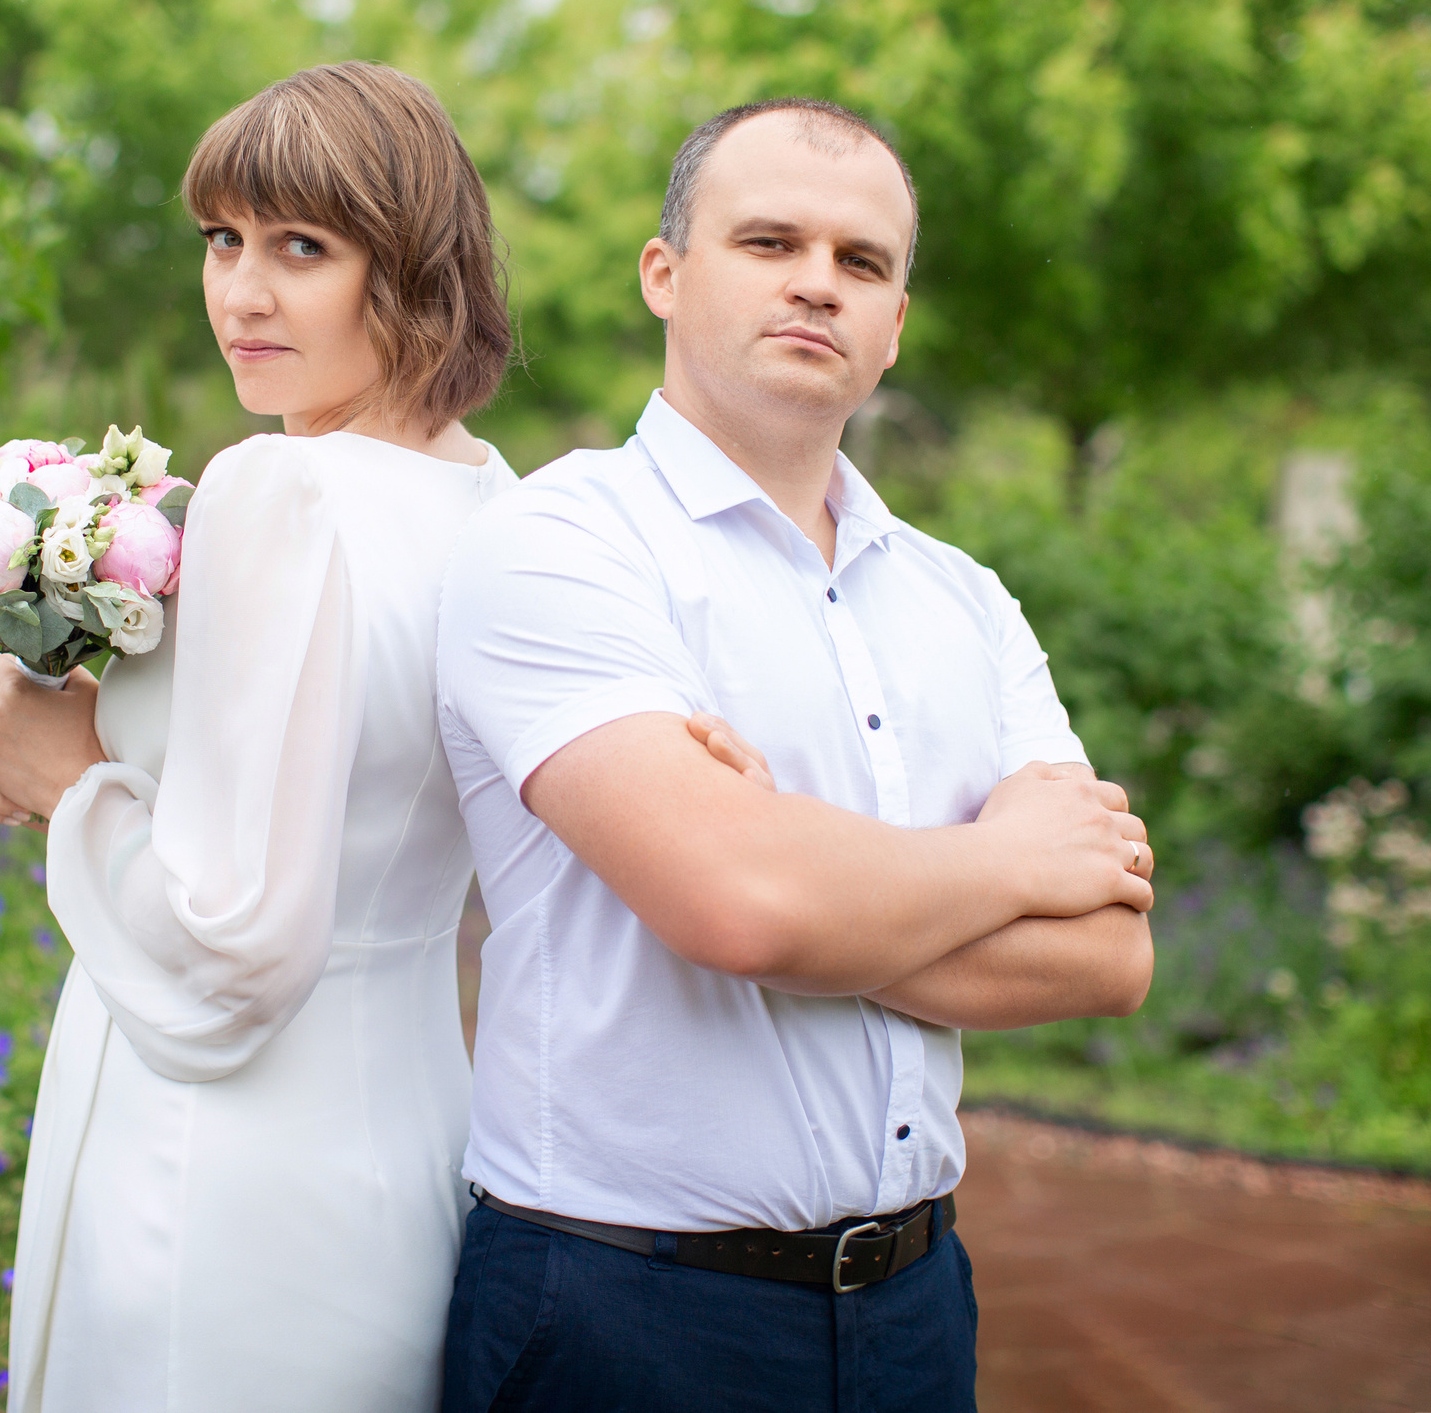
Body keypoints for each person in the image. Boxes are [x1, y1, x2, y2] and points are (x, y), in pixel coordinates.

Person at [434, 98, 1159, 1412]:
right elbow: (744, 906)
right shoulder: (560, 544)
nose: (818, 283)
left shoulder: (965, 601)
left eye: (862, 262)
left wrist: (808, 872)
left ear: (894, 327)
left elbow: (1110, 953)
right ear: (666, 273)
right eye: (769, 240)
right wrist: (1002, 861)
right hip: (619, 1315)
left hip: (919, 1314)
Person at [0, 62, 523, 1412]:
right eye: (224, 241)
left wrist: (73, 781)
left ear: (417, 267)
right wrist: (102, 766)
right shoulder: (490, 499)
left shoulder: (278, 489)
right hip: (407, 1140)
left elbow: (235, 953)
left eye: (301, 249)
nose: (241, 294)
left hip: (216, 1180)